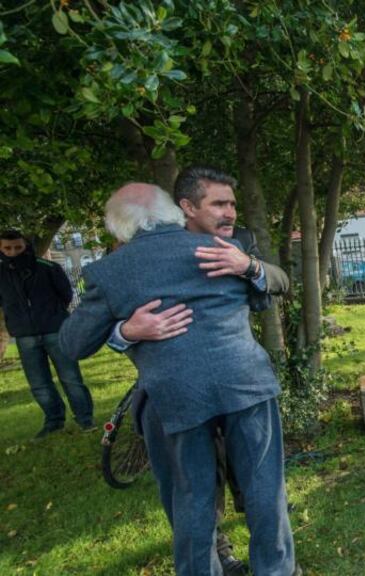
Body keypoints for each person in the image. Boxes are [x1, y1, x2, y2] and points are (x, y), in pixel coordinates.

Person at [60, 184, 297, 575]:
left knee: (191, 500)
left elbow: (71, 344)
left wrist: (125, 331)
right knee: (264, 491)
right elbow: (262, 299)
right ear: (175, 211)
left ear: (119, 227)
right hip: (246, 383)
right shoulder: (224, 251)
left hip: (174, 396)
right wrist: (246, 271)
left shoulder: (110, 272)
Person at [0, 229, 94, 439]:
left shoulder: (48, 268)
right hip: (24, 335)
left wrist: (53, 314)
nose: (12, 252)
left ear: (26, 246)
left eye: (17, 247)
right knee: (39, 382)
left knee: (71, 377)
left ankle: (85, 418)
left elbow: (66, 294)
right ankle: (53, 420)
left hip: (55, 330)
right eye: (7, 248)